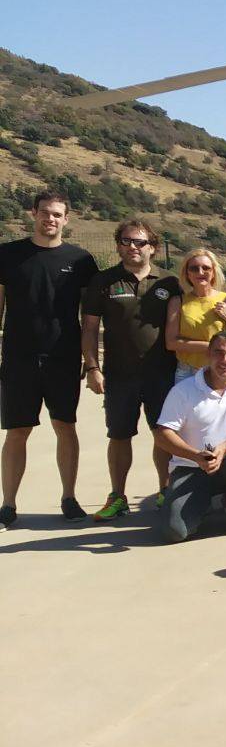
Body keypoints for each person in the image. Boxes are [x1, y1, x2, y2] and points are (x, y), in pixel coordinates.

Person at [0, 190, 99, 526]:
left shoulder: (82, 261)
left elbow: (90, 320)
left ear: (66, 219)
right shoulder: (8, 255)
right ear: (33, 213)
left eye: (57, 214)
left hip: (63, 357)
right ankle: (8, 504)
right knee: (17, 431)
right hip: (18, 358)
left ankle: (69, 499)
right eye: (45, 212)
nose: (50, 219)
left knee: (65, 427)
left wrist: (91, 361)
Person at [80, 217, 182, 520]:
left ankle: (165, 491)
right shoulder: (103, 281)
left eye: (140, 242)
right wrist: (92, 368)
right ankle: (118, 497)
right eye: (126, 241)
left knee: (163, 435)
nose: (132, 247)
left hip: (162, 374)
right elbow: (88, 329)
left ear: (152, 247)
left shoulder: (169, 282)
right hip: (119, 375)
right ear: (118, 245)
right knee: (120, 435)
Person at [153, 331, 226, 541]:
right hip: (191, 468)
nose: (225, 360)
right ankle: (200, 503)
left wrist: (225, 447)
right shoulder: (183, 390)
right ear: (208, 354)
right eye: (218, 353)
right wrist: (196, 456)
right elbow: (163, 435)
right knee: (174, 532)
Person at [166, 248, 226, 374]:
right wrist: (213, 347)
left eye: (206, 268)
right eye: (194, 268)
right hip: (187, 372)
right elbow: (171, 343)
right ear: (187, 273)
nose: (200, 272)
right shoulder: (177, 302)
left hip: (222, 370)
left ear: (213, 272)